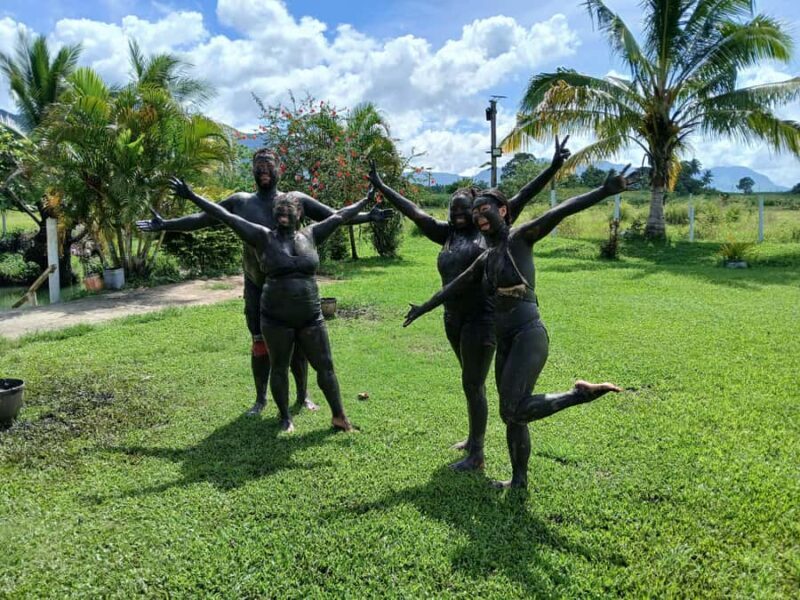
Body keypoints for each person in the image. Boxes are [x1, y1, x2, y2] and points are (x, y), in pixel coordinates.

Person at [403, 166, 639, 489]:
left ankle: (578, 395)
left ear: (502, 210)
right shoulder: (486, 257)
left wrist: (604, 191)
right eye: (475, 213)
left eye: (485, 210)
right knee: (511, 415)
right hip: (505, 340)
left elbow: (560, 211)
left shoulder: (520, 238)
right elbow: (454, 287)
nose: (479, 217)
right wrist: (423, 308)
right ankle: (519, 480)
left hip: (528, 335)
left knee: (514, 409)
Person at [367, 138, 571, 472]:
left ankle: (476, 453)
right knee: (471, 382)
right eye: (454, 211)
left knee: (473, 383)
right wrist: (382, 186)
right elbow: (413, 210)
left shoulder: (487, 233)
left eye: (466, 210)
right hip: (454, 319)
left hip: (483, 320)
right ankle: (475, 439)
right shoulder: (445, 234)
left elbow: (523, 195)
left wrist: (551, 168)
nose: (460, 215)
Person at [137, 149, 391, 416]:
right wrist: (165, 224)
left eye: (269, 166)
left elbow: (334, 216)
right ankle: (260, 399)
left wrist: (368, 216)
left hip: (291, 289)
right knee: (260, 343)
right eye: (259, 166)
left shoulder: (295, 200)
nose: (264, 171)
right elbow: (204, 219)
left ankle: (303, 395)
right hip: (257, 286)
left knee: (300, 343)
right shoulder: (241, 202)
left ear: (279, 168)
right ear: (253, 171)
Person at [168, 176, 371, 432]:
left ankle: (339, 416)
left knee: (326, 367)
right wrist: (192, 196)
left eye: (289, 209)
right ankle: (285, 417)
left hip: (311, 317)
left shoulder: (311, 235)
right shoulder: (262, 237)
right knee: (279, 367)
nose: (283, 212)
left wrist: (366, 200)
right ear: (274, 214)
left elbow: (340, 216)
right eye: (279, 209)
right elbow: (224, 216)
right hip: (276, 319)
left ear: (299, 213)